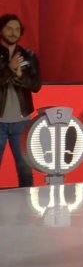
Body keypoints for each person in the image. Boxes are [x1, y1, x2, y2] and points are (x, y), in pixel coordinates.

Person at [0, 14, 42, 187]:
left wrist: (19, 76)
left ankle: (27, 203)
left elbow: (36, 85)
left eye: (17, 29)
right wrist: (9, 69)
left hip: (22, 121)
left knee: (25, 170)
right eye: (9, 28)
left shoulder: (29, 55)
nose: (13, 32)